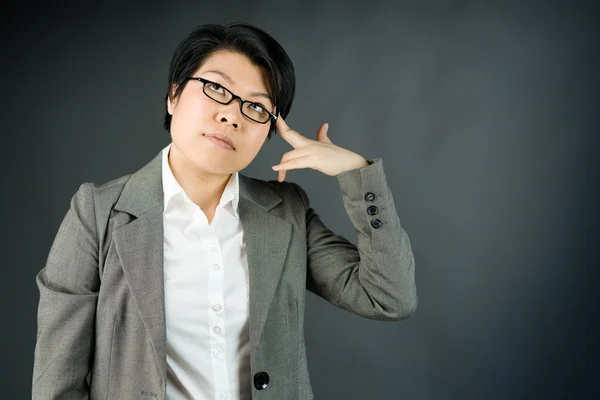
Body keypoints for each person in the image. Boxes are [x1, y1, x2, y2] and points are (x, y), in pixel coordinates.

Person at [32, 22, 417, 400]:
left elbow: (388, 297)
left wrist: (357, 173)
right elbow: (56, 380)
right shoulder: (98, 212)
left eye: (255, 107)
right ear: (174, 95)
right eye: (216, 88)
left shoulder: (287, 212)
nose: (231, 115)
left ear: (268, 130)